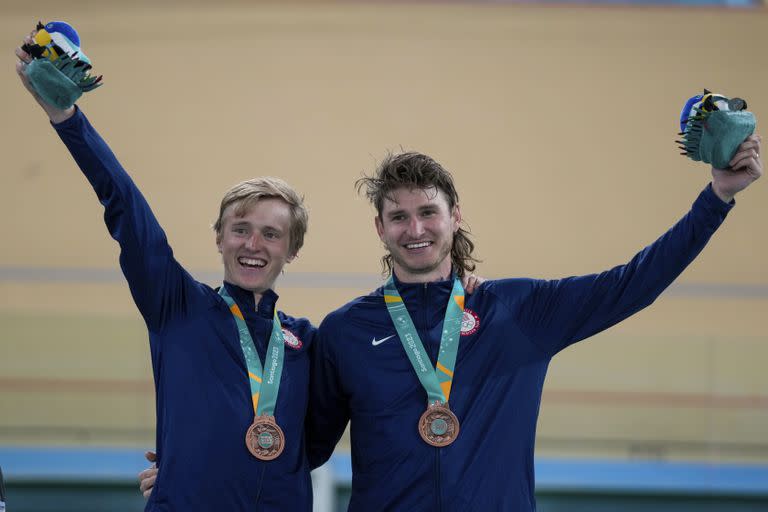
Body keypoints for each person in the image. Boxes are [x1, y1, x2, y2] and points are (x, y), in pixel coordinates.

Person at [305, 146, 762, 511]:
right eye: (399, 217)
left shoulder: (518, 310)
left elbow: (633, 283)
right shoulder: (346, 332)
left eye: (428, 212)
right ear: (380, 229)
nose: (415, 228)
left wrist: (716, 198)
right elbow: (305, 449)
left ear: (455, 216)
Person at [15, 36, 317, 510]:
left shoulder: (308, 344)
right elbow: (128, 211)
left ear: (292, 250)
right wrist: (69, 121)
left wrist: (455, 286)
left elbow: (319, 439)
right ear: (219, 237)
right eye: (240, 229)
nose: (253, 245)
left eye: (271, 234)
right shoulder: (177, 305)